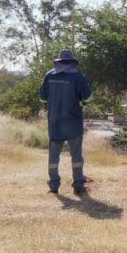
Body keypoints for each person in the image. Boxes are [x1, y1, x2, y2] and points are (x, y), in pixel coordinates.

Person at [39, 49, 93, 195]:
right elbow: (88, 98)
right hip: (73, 122)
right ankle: (78, 186)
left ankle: (53, 186)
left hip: (55, 123)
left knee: (53, 157)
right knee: (76, 157)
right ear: (72, 62)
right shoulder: (78, 76)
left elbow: (42, 98)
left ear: (58, 62)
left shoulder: (49, 75)